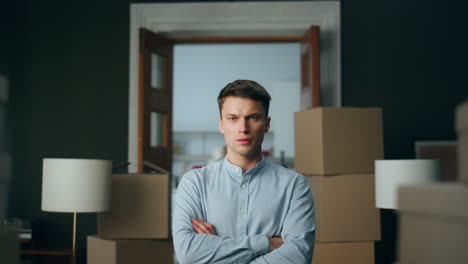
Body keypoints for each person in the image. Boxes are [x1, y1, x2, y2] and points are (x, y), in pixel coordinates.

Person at [173, 80, 315, 264]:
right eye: (233, 118)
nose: (243, 129)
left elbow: (298, 257)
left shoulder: (294, 185)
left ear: (266, 124)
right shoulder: (194, 183)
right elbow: (188, 254)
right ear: (221, 124)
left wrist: (216, 249)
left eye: (253, 117)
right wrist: (266, 243)